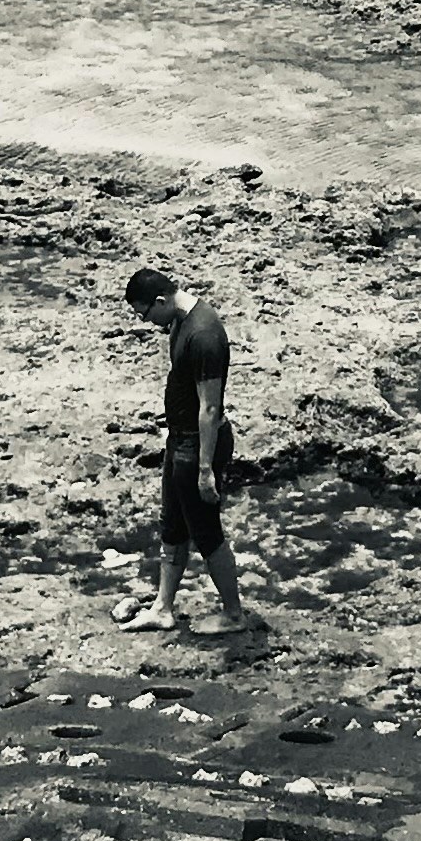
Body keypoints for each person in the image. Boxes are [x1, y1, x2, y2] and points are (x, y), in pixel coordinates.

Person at [116, 266, 259, 638]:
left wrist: (205, 468)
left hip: (198, 446)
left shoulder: (204, 334)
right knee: (173, 525)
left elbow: (211, 407)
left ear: (160, 301)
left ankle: (233, 614)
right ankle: (163, 608)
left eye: (145, 314)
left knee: (207, 531)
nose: (147, 322)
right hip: (179, 440)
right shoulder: (178, 322)